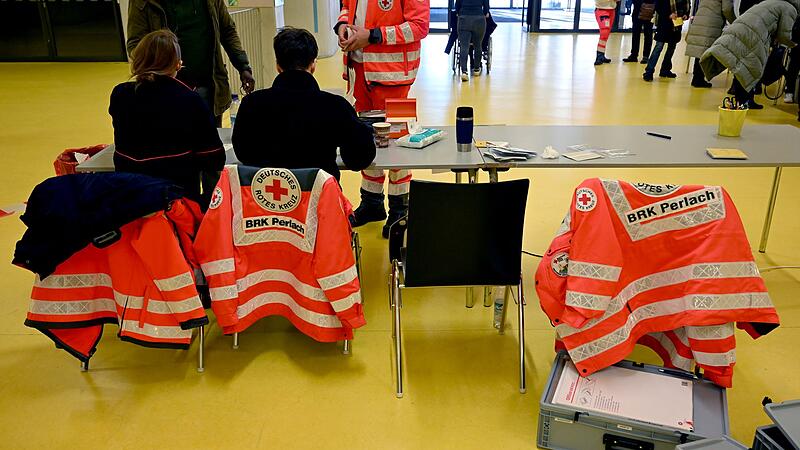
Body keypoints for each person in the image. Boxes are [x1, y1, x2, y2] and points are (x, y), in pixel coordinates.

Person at [335, 0, 430, 238]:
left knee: (398, 144)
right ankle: (372, 202)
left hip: (394, 76)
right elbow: (347, 7)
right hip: (359, 71)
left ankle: (400, 209)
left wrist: (373, 36)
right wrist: (342, 27)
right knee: (366, 141)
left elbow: (419, 26)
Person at [232, 28, 376, 182]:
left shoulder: (251, 104)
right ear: (313, 64)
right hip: (321, 202)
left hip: (267, 202)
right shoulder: (335, 106)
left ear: (278, 65)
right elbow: (360, 158)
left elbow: (244, 154)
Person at [109, 30, 225, 205]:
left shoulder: (120, 94)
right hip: (177, 200)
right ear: (177, 64)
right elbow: (214, 156)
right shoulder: (189, 100)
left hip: (130, 197)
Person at [126, 0, 255, 126]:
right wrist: (158, 68)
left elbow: (227, 31)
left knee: (210, 141)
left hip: (208, 88)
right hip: (164, 94)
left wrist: (243, 66)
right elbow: (135, 45)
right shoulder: (142, 2)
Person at [700, 0, 799, 108]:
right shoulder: (790, 9)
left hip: (742, 28)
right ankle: (746, 101)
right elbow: (784, 35)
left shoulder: (772, 2)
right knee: (751, 67)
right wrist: (794, 44)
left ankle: (740, 100)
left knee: (742, 67)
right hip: (754, 35)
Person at [684, 0, 737, 88]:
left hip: (700, 19)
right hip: (712, 22)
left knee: (700, 52)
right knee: (705, 52)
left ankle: (697, 78)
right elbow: (726, 9)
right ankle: (699, 79)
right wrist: (734, 21)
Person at [643, 0, 689, 81]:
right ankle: (649, 71)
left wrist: (686, 14)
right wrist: (669, 14)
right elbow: (658, 6)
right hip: (664, 24)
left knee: (671, 48)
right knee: (659, 47)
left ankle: (665, 70)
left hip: (677, 24)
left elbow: (686, 5)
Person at [455, 0, 490, 81]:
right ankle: (476, 69)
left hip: (464, 19)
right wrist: (486, 12)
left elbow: (457, 5)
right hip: (479, 19)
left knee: (464, 46)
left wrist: (458, 12)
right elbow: (486, 7)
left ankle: (464, 72)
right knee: (478, 45)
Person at [595, 0, 620, 65]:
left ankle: (601, 55)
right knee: (604, 33)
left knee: (606, 34)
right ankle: (599, 56)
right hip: (602, 10)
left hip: (612, 10)